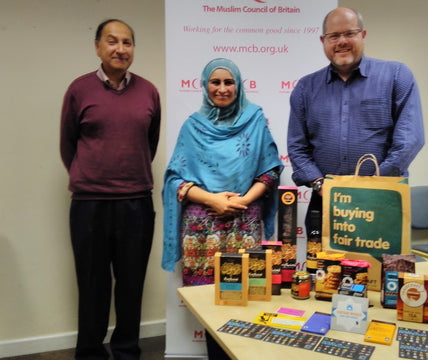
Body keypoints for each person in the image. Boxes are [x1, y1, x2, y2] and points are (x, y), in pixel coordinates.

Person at [162, 58, 283, 358]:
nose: (222, 88)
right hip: (203, 232)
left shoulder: (255, 119)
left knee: (247, 302)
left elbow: (270, 171)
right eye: (215, 82)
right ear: (205, 86)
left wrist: (242, 200)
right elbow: (175, 179)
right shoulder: (192, 127)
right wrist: (213, 199)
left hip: (244, 224)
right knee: (210, 307)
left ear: (238, 86)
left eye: (229, 82)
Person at [60, 19, 161, 360]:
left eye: (128, 42)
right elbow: (67, 145)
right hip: (89, 204)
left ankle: (127, 352)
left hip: (136, 202)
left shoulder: (148, 91)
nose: (121, 49)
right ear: (98, 47)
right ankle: (89, 353)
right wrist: (91, 176)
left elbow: (150, 142)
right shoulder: (79, 89)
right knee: (92, 286)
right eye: (113, 41)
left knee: (131, 286)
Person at [287, 7, 425, 232]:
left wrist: (369, 184)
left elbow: (410, 140)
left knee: (382, 267)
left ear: (363, 35)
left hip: (382, 200)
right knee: (324, 267)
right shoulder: (305, 88)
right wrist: (320, 185)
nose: (342, 41)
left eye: (349, 33)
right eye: (334, 36)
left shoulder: (397, 76)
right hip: (326, 203)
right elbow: (297, 148)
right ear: (323, 40)